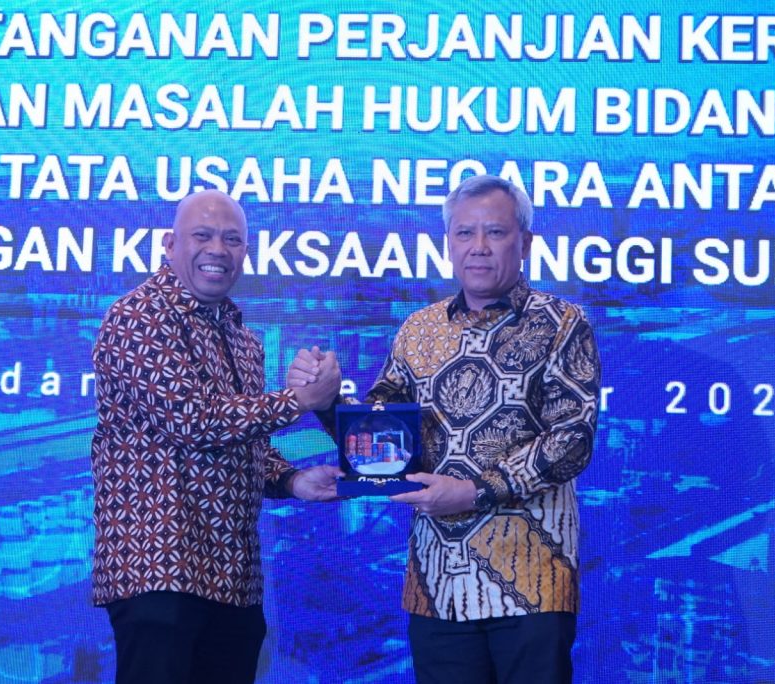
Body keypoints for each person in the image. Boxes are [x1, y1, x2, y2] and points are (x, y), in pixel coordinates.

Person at [292, 174, 601, 683]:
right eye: (464, 233)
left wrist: (472, 491)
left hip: (531, 581)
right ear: (449, 243)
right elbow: (383, 441)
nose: (478, 247)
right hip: (436, 585)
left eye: (495, 232)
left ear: (525, 242)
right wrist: (327, 402)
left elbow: (572, 439)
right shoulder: (418, 329)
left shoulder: (562, 323)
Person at [90, 189, 342, 684]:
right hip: (159, 568)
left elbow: (240, 440)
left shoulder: (242, 337)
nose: (218, 250)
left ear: (245, 252)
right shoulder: (139, 317)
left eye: (232, 240)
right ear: (170, 245)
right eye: (202, 236)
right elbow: (193, 420)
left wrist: (291, 480)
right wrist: (301, 400)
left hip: (232, 578)